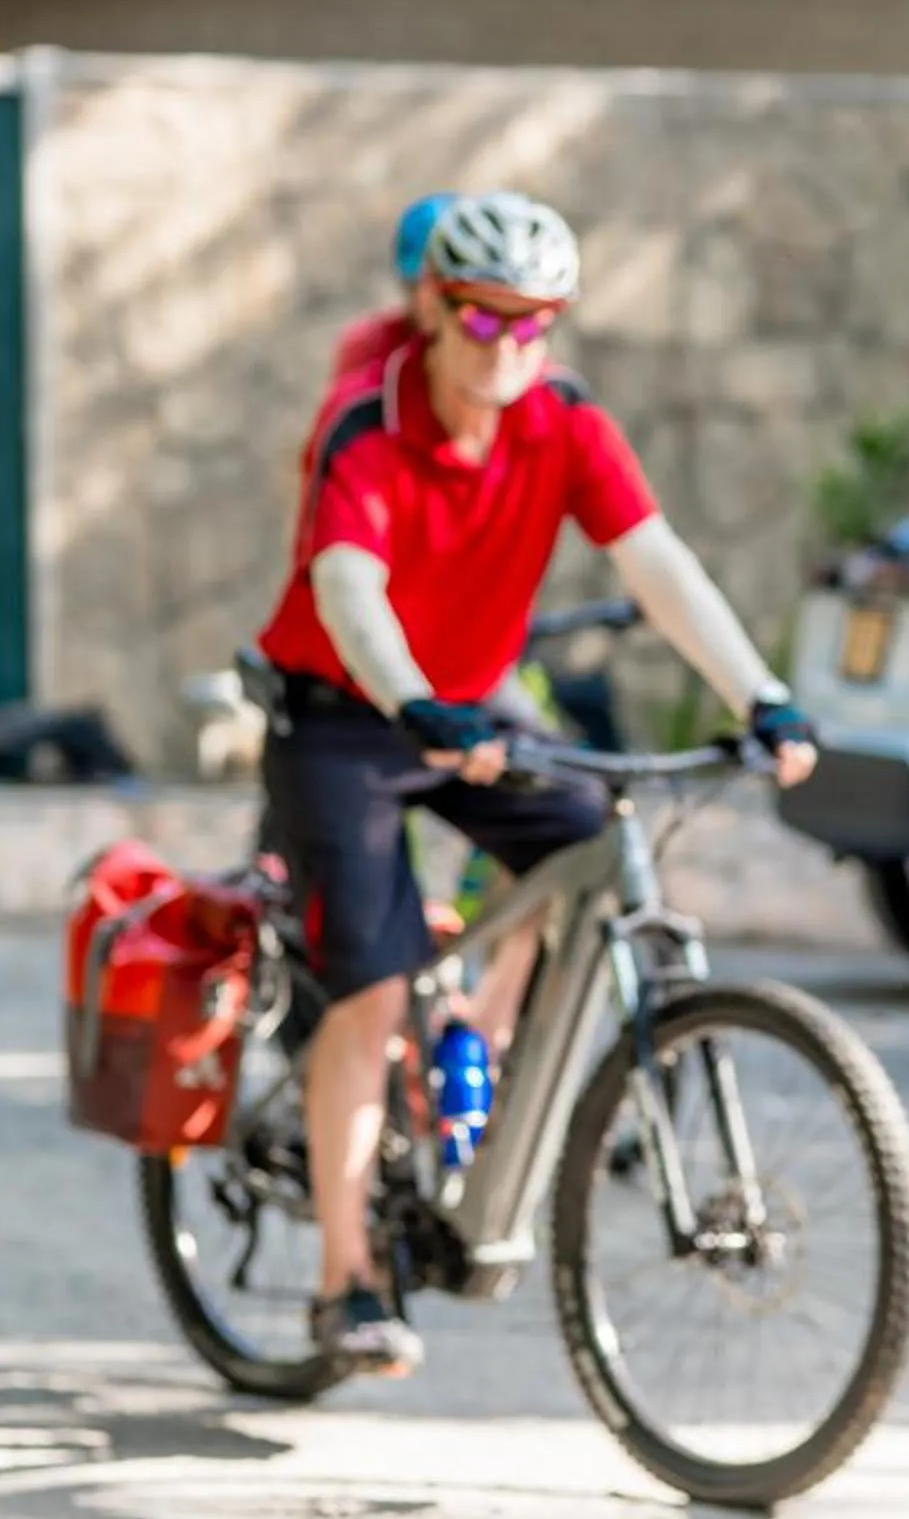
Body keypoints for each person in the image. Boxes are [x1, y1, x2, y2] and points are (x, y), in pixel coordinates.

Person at [254, 188, 819, 1377]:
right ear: (432, 307)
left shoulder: (563, 423)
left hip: (475, 710)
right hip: (350, 718)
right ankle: (346, 1279)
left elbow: (654, 559)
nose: (506, 346)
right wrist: (412, 700)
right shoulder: (367, 425)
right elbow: (350, 588)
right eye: (481, 317)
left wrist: (757, 694)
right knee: (367, 991)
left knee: (591, 846)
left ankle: (477, 1021)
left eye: (534, 322)